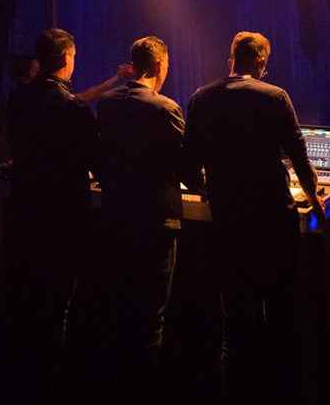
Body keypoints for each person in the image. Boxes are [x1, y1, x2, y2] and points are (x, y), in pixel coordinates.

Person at [183, 31, 326, 403]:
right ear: (261, 61)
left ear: (231, 59)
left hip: (228, 222)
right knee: (282, 312)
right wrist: (313, 198)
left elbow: (188, 162)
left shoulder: (201, 98)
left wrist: (208, 190)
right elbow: (298, 156)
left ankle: (237, 391)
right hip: (273, 221)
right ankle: (283, 390)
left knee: (235, 317)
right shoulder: (274, 97)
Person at [5, 28, 131, 405]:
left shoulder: (18, 100)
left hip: (25, 212)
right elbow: (97, 161)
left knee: (29, 299)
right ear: (65, 58)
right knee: (60, 303)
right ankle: (53, 386)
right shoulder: (70, 108)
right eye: (74, 56)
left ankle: (22, 382)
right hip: (62, 217)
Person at [96, 36, 185, 403]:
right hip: (155, 221)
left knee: (120, 309)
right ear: (160, 65)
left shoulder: (107, 103)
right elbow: (185, 165)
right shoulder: (165, 107)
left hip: (116, 218)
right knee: (151, 316)